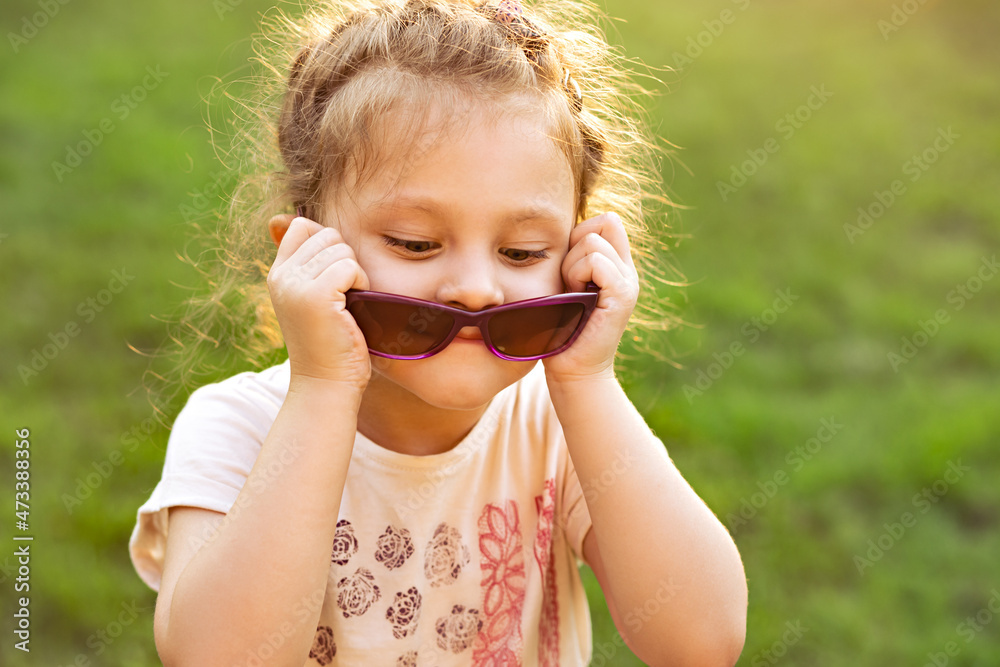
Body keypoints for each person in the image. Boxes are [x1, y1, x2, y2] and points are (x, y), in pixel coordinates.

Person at [128, 0, 747, 664]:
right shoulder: (235, 429)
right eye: (416, 242)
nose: (476, 287)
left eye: (522, 253)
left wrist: (586, 380)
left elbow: (700, 640)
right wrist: (322, 386)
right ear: (303, 253)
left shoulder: (559, 429)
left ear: (576, 257)